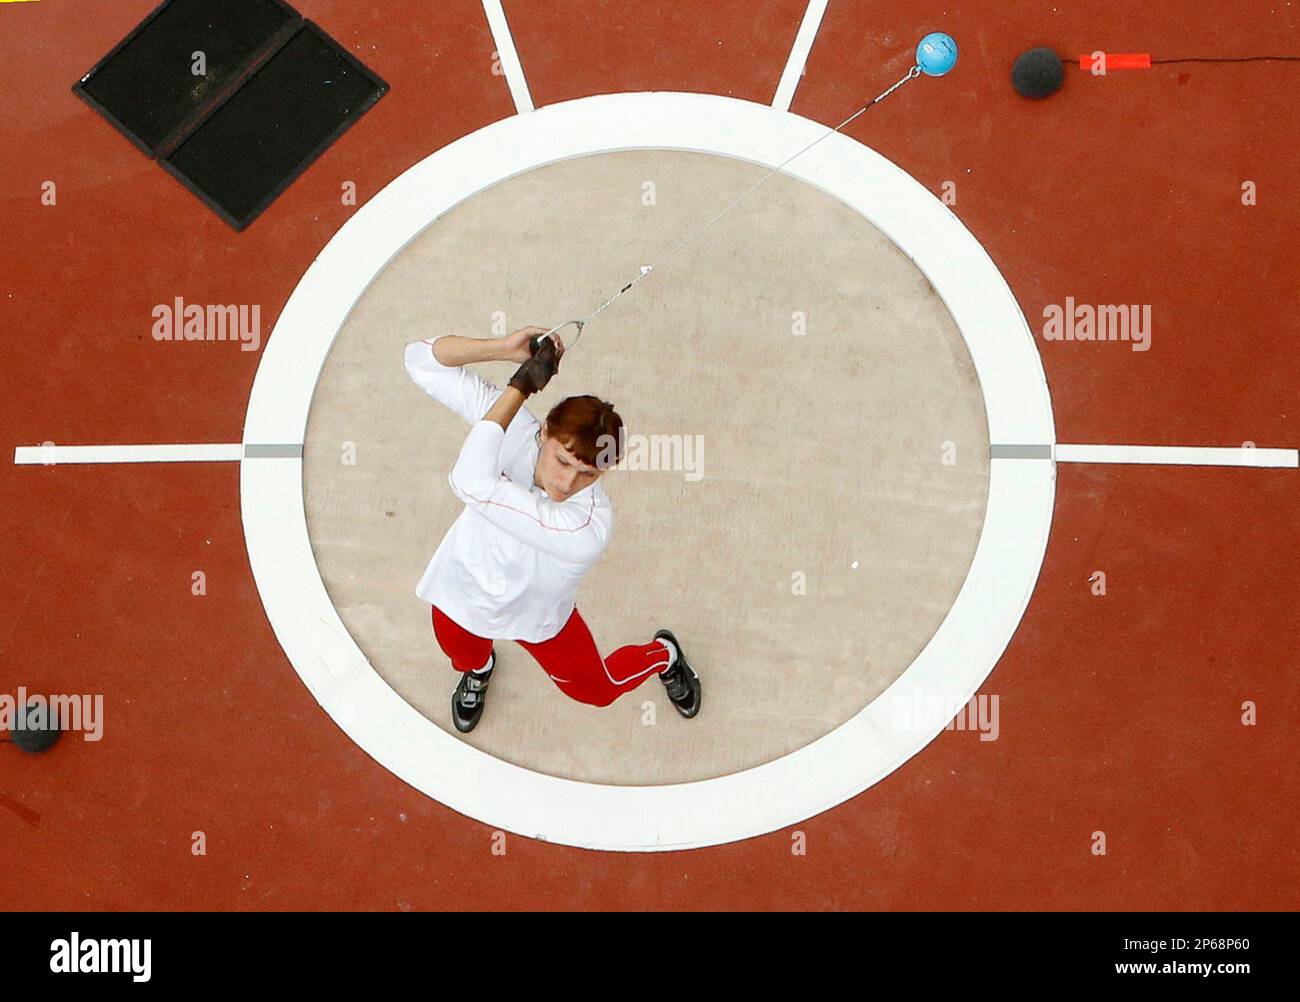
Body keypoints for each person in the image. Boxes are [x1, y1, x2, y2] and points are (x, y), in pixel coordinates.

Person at [403, 325, 702, 733]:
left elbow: (469, 481)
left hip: (539, 619)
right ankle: (480, 669)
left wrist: (520, 386)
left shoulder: (586, 528)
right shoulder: (515, 431)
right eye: (562, 461)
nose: (567, 485)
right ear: (542, 432)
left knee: (597, 691)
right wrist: (503, 349)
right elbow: (420, 361)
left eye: (588, 474)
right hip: (461, 595)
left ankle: (664, 654)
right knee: (466, 658)